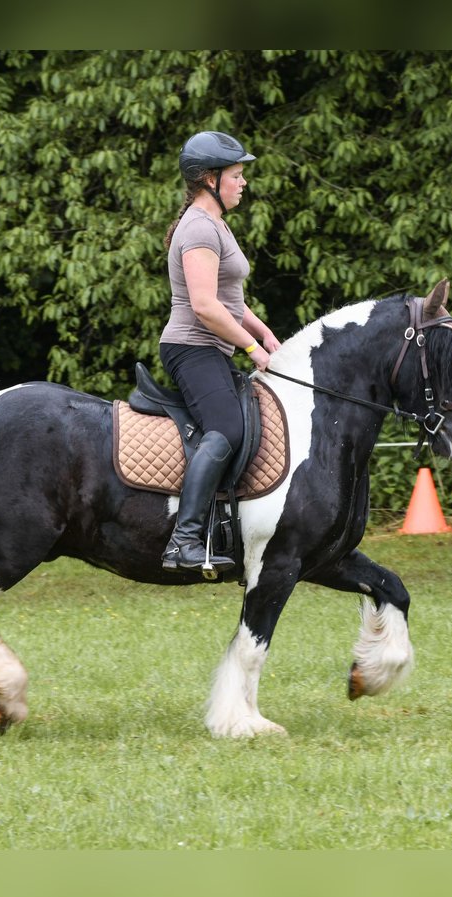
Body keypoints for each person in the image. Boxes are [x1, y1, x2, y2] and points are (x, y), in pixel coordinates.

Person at [159, 130, 281, 573]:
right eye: (237, 174)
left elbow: (230, 299)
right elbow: (205, 306)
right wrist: (251, 348)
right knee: (227, 427)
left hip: (211, 348)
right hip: (191, 348)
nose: (243, 182)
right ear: (210, 179)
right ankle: (183, 540)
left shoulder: (213, 224)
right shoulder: (198, 227)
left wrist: (266, 336)